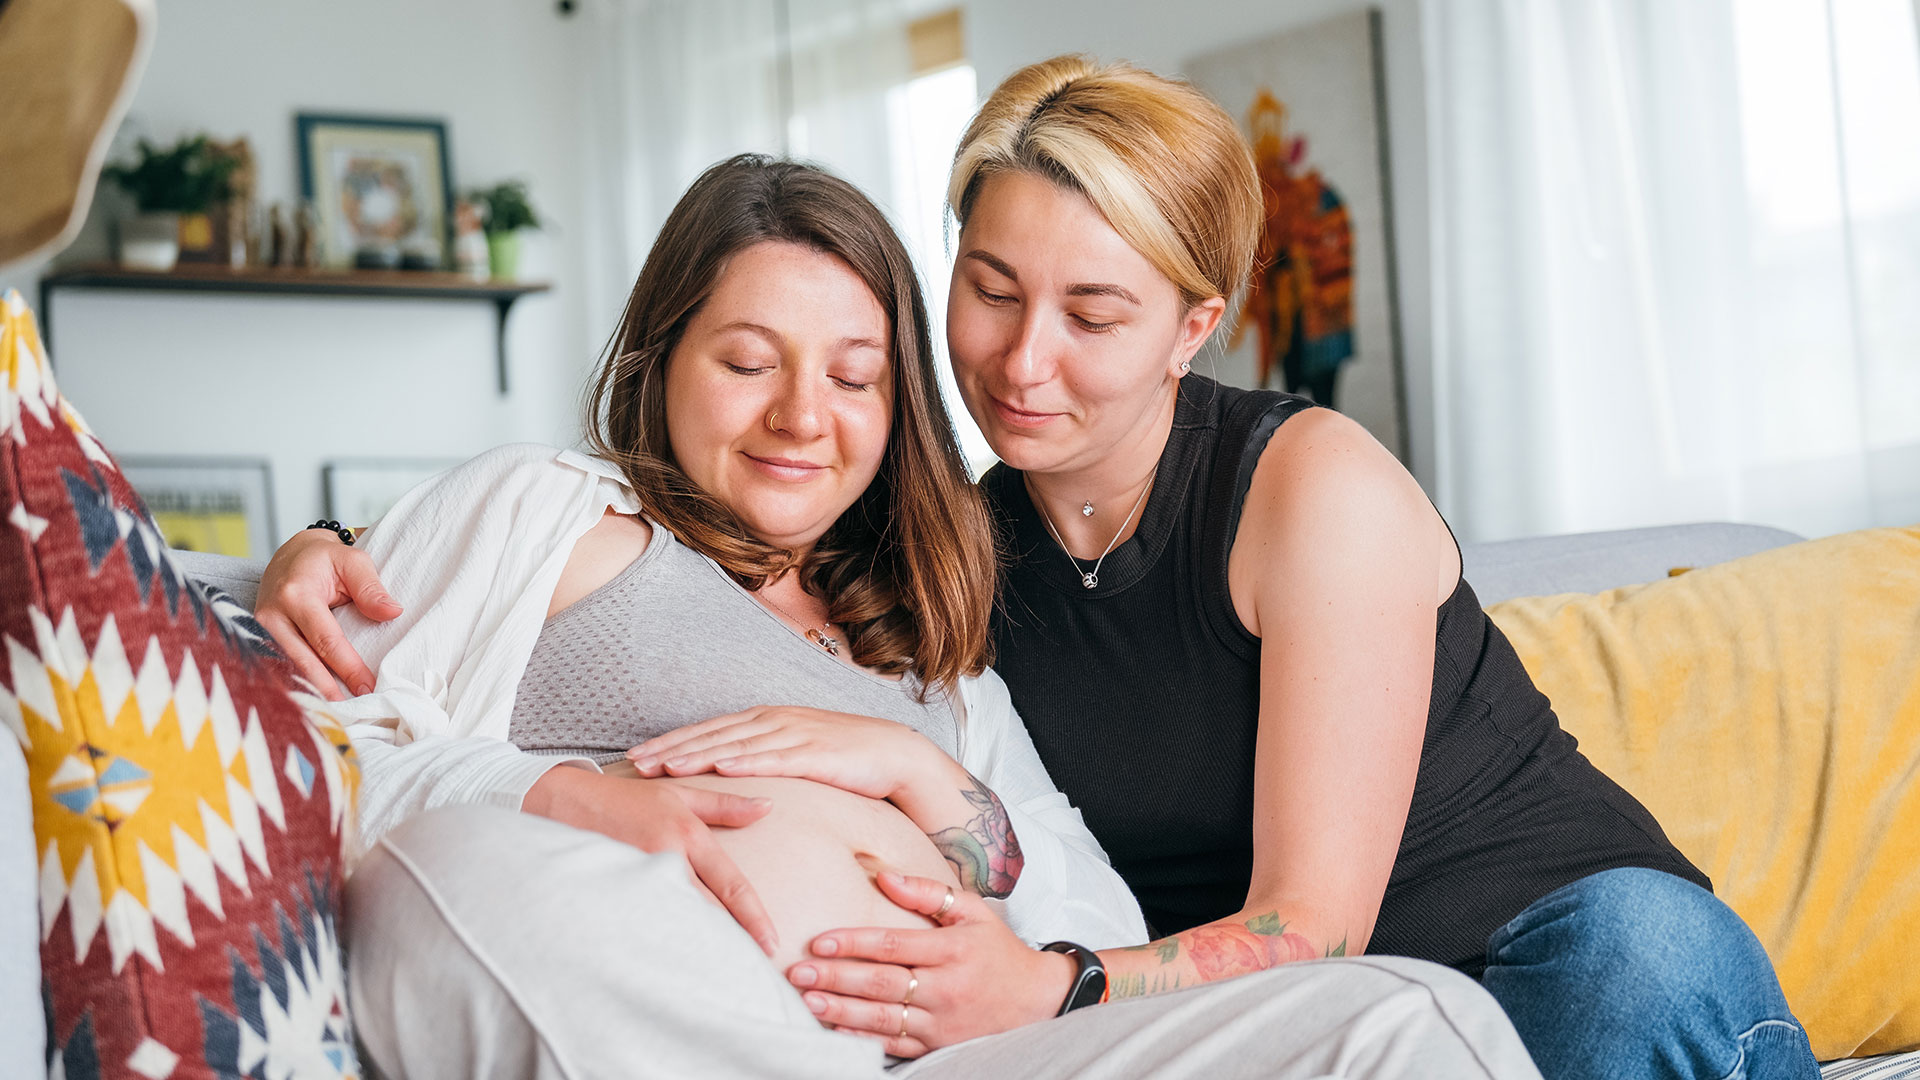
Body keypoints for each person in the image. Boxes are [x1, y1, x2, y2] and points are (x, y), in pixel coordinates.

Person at [266, 154, 1539, 1079]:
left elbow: (1096, 919)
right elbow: (296, 769)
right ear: (660, 364)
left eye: (855, 377)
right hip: (675, 1008)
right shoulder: (544, 512)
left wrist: (921, 774)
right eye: (749, 363)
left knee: (1414, 1018)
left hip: (960, 1057)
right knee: (471, 872)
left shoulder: (935, 636)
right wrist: (571, 799)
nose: (801, 417)